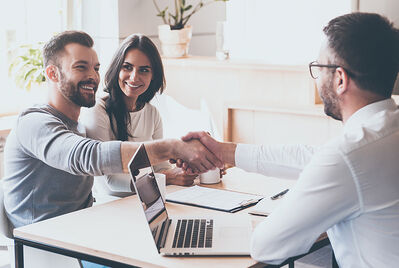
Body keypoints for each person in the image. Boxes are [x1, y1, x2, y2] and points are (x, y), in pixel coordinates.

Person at [181, 13, 399, 267]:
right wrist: (225, 153)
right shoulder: (381, 134)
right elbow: (311, 158)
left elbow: (266, 246)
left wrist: (300, 200)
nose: (316, 77)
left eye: (319, 67)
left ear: (340, 79)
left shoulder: (348, 156)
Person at [3, 31, 222, 229]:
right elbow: (88, 157)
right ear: (52, 74)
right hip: (45, 243)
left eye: (96, 68)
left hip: (84, 228)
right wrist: (173, 148)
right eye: (81, 67)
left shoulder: (78, 125)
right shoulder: (35, 122)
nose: (93, 76)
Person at [80, 34, 196, 200]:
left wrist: (186, 171)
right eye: (127, 67)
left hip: (147, 201)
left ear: (153, 76)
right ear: (116, 68)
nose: (134, 77)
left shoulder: (152, 113)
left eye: (144, 70)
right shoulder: (97, 111)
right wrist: (168, 178)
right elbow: (111, 182)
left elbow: (160, 167)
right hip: (112, 206)